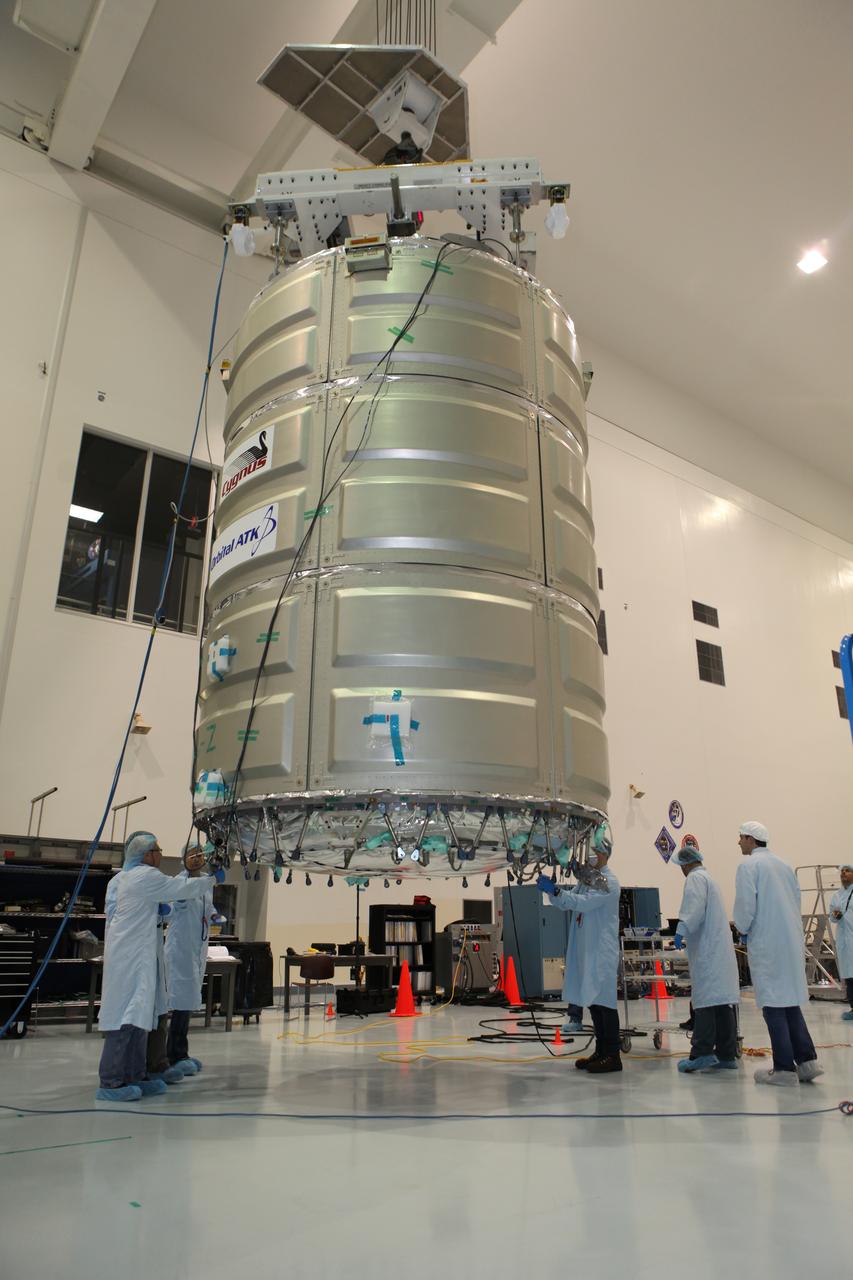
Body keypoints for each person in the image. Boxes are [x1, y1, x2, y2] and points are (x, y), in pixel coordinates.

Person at [96, 831, 217, 1103]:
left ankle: (137, 1075)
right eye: (157, 849)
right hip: (130, 959)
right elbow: (179, 889)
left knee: (143, 1017)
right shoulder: (142, 876)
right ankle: (111, 1081)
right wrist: (211, 879)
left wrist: (165, 910)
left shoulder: (137, 879)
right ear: (146, 854)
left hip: (144, 956)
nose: (162, 854)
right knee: (125, 1018)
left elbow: (166, 905)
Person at [733, 821, 823, 1086]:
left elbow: (746, 907)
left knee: (773, 1004)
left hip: (767, 943)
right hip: (790, 941)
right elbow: (796, 901)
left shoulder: (748, 866)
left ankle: (784, 1068)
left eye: (740, 838)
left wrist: (742, 928)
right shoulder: (784, 865)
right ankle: (807, 1062)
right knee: (789, 1001)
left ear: (750, 839)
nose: (738, 843)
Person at [537, 832, 622, 1074]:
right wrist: (553, 892)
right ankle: (600, 1051)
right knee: (593, 1001)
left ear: (604, 854)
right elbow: (569, 901)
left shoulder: (610, 882)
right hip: (586, 949)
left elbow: (582, 903)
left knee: (605, 1003)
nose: (589, 856)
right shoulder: (588, 880)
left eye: (593, 852)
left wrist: (557, 893)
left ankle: (613, 1055)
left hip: (600, 950)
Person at [670, 840, 740, 1073]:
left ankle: (701, 1053)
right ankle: (727, 1054)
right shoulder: (710, 879)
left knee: (706, 1003)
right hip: (718, 951)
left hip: (708, 953)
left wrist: (681, 929)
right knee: (722, 1003)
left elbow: (694, 908)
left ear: (686, 864)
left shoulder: (695, 879)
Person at [165, 840, 223, 1073]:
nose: (197, 857)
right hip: (180, 950)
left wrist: (215, 915)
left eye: (200, 854)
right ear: (183, 858)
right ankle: (174, 1056)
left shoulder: (204, 883)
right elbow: (171, 908)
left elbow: (206, 907)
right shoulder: (179, 883)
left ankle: (181, 1053)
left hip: (196, 950)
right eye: (192, 854)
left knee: (187, 1003)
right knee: (179, 1003)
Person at [829, 861, 853, 1021]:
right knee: (849, 977)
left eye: (847, 871)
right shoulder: (837, 895)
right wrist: (835, 916)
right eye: (842, 871)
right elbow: (832, 916)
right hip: (845, 941)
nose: (843, 873)